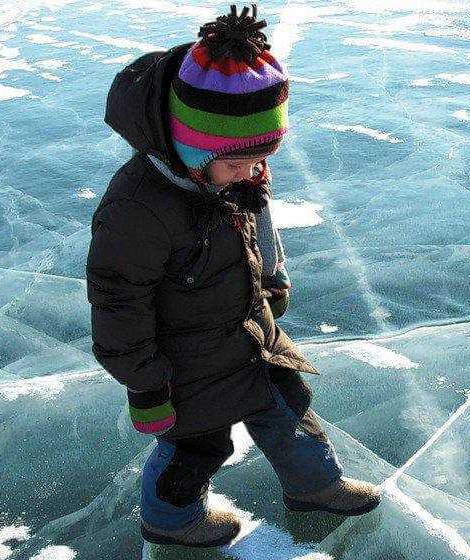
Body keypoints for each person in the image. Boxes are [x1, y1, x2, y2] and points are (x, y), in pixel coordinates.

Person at [85, 3, 381, 549]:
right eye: (237, 162)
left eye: (263, 156)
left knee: (289, 410)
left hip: (250, 337)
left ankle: (317, 487)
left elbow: (260, 231)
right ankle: (170, 521)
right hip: (186, 365)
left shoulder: (234, 176)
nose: (253, 172)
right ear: (190, 148)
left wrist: (273, 283)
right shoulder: (138, 209)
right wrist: (147, 384)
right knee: (197, 447)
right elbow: (117, 301)